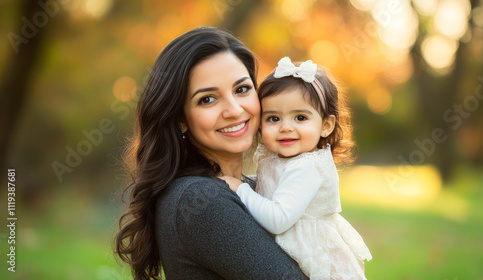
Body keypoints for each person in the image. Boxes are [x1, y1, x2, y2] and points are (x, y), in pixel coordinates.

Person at [114, 27, 308, 280]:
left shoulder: (252, 187)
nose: (234, 110)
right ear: (180, 118)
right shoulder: (201, 200)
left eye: (241, 90)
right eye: (207, 99)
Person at [222, 57, 372, 280]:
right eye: (273, 118)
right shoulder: (284, 159)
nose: (285, 127)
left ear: (326, 125)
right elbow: (273, 186)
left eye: (300, 117)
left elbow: (278, 219)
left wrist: (239, 188)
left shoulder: (307, 167)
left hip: (314, 258)